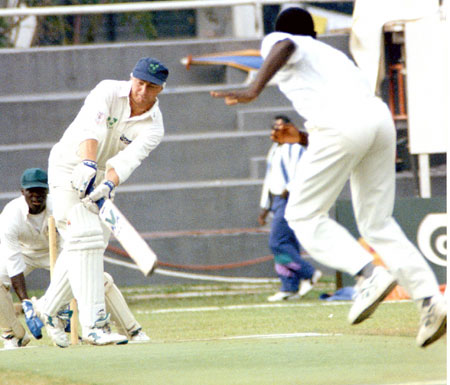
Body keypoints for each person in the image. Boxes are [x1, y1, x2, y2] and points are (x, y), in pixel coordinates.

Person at [211, 7, 446, 348]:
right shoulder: (333, 56)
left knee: (301, 215)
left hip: (339, 125)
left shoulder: (281, 40)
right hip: (378, 120)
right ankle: (429, 301)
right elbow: (351, 130)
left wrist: (253, 89)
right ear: (315, 34)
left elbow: (284, 47)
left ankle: (369, 275)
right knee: (377, 223)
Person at [37, 56, 169, 346]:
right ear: (132, 78)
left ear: (160, 90)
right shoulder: (107, 91)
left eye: (151, 87)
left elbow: (128, 160)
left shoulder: (155, 126)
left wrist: (107, 183)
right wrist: (86, 163)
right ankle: (95, 324)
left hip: (101, 177)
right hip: (68, 165)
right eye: (140, 83)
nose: (142, 91)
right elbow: (90, 129)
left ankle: (46, 309)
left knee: (90, 247)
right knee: (84, 236)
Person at [0, 168, 150, 349]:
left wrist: (60, 301)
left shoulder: (60, 207)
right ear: (22, 192)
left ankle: (131, 330)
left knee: (98, 279)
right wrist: (25, 303)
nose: (36, 196)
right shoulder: (10, 216)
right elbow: (14, 262)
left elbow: (72, 248)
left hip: (60, 250)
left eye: (40, 191)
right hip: (25, 254)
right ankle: (14, 335)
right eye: (31, 191)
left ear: (47, 191)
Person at [259, 115, 321, 302]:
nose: (277, 130)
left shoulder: (294, 147)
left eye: (281, 126)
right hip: (277, 200)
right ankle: (289, 286)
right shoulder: (275, 149)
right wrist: (265, 207)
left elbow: (301, 172)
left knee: (277, 242)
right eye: (274, 126)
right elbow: (270, 179)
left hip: (290, 199)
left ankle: (308, 272)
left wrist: (289, 189)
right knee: (288, 243)